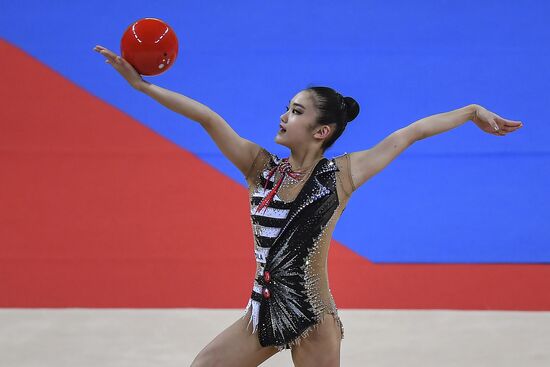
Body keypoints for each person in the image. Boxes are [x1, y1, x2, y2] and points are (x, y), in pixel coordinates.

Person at [93, 45, 523, 367]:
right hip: (261, 313)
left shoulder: (341, 176)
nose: (284, 116)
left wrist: (470, 111)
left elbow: (408, 134)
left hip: (314, 319)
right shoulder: (258, 167)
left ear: (321, 131)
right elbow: (206, 117)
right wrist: (141, 85)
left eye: (296, 111)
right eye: (287, 108)